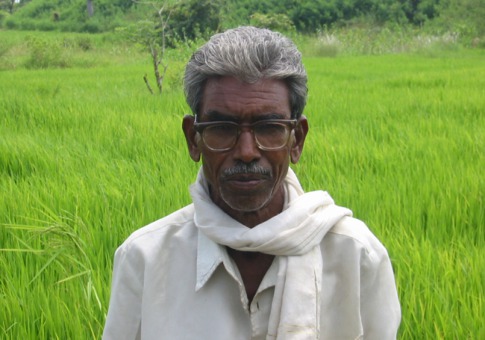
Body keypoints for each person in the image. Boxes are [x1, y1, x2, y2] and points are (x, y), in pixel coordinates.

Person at [103, 26, 401, 340]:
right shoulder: (144, 259)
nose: (246, 152)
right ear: (194, 139)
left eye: (269, 127)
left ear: (296, 139)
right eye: (222, 127)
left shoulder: (356, 256)